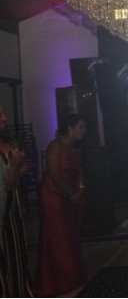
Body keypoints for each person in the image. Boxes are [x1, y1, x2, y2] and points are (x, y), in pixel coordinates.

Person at [36, 114, 87, 296]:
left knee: (70, 233)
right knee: (59, 234)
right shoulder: (55, 146)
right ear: (70, 128)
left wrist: (80, 189)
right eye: (81, 127)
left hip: (69, 193)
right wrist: (71, 192)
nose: (84, 130)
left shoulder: (74, 148)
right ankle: (59, 280)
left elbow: (79, 171)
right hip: (54, 195)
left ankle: (71, 276)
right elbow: (54, 174)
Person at [0, 104, 34, 297]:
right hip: (2, 208)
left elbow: (24, 168)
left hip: (14, 211)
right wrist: (15, 168)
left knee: (18, 258)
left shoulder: (10, 141)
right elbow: (9, 182)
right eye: (0, 114)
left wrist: (17, 168)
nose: (5, 118)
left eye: (4, 113)